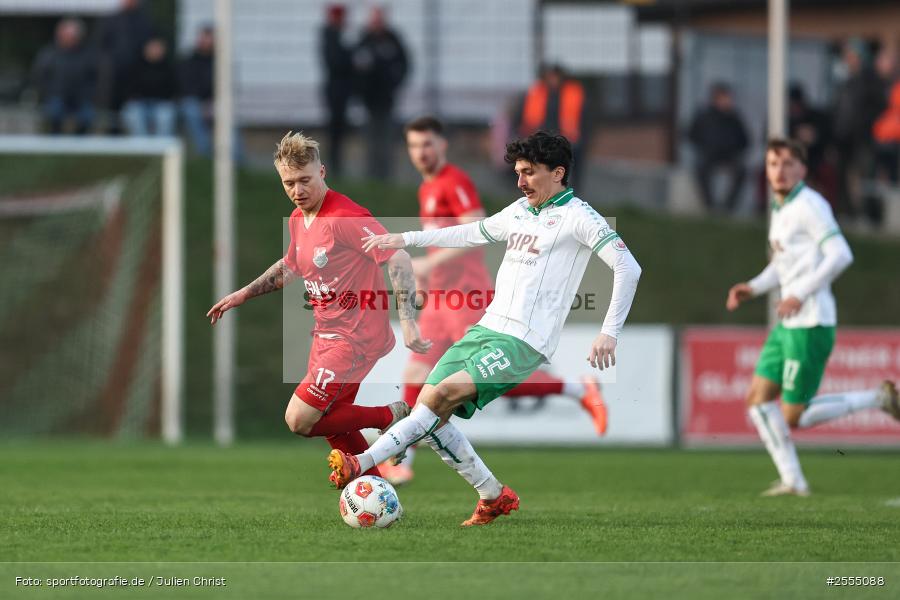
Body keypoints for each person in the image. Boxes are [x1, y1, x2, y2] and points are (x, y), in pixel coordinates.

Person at [329, 132, 642, 525]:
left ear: (558, 172)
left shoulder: (579, 216)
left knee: (439, 397)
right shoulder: (519, 211)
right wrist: (405, 238)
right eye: (517, 173)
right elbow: (471, 233)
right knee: (429, 411)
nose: (520, 181)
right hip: (486, 328)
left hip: (524, 341)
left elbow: (629, 268)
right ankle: (492, 495)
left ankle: (361, 462)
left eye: (528, 173)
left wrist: (609, 331)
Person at [378, 117, 609, 486]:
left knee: (487, 377)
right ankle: (401, 459)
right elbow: (444, 237)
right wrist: (427, 273)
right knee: (416, 376)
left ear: (442, 146)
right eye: (414, 146)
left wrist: (425, 260)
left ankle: (576, 388)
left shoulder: (454, 181)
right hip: (441, 297)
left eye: (428, 144)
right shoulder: (428, 189)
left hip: (467, 294)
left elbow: (475, 227)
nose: (421, 153)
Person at [207, 132, 430, 479]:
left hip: (355, 338)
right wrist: (242, 294)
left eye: (305, 180)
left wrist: (409, 320)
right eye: (289, 183)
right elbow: (290, 266)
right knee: (332, 419)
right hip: (327, 335)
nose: (298, 191)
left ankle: (393, 416)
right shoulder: (299, 219)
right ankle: (372, 487)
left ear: (322, 172)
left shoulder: (345, 217)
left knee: (299, 418)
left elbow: (398, 256)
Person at [726, 138, 900, 497]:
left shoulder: (810, 204)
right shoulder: (782, 208)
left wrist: (799, 293)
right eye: (774, 164)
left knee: (794, 415)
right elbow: (783, 264)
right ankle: (793, 481)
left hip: (811, 322)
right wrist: (753, 287)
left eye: (789, 164)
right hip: (788, 323)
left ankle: (878, 399)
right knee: (758, 399)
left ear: (803, 170)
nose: (780, 170)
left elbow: (841, 254)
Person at [353, 6, 409, 181]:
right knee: (371, 139)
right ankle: (372, 175)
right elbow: (355, 68)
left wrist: (395, 83)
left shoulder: (392, 39)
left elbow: (405, 63)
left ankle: (386, 175)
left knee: (387, 139)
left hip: (387, 98)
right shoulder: (364, 40)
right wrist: (359, 90)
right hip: (369, 99)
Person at [516, 64, 587, 189]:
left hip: (568, 138)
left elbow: (584, 117)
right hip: (542, 138)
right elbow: (526, 116)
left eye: (555, 76)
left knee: (570, 167)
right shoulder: (537, 91)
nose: (553, 80)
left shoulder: (573, 91)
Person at [688, 82, 749, 213]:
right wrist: (704, 147)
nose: (728, 101)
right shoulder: (704, 116)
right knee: (701, 169)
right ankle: (709, 206)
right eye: (725, 97)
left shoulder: (734, 118)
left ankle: (727, 207)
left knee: (741, 171)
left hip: (730, 156)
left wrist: (736, 149)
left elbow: (745, 140)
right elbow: (691, 135)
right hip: (709, 155)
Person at [29, 18, 96, 134]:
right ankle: (55, 141)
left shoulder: (88, 54)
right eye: (67, 34)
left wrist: (88, 94)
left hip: (81, 98)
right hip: (56, 96)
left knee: (87, 114)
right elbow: (39, 77)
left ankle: (80, 144)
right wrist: (48, 94)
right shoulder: (49, 54)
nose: (70, 38)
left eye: (73, 35)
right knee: (55, 110)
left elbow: (95, 78)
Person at [320, 4, 354, 177]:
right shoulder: (330, 36)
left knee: (339, 130)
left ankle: (336, 164)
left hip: (340, 91)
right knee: (334, 130)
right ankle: (334, 165)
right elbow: (336, 62)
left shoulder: (336, 36)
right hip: (335, 91)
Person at [121, 37, 178, 136]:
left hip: (161, 103)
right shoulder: (135, 66)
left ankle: (161, 147)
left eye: (158, 48)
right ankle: (141, 146)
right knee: (133, 113)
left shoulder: (169, 68)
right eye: (153, 47)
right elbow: (127, 90)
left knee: (165, 114)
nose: (155, 51)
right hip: (139, 104)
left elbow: (174, 90)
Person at [178, 26, 214, 157]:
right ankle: (205, 154)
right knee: (192, 110)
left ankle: (237, 161)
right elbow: (186, 86)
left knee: (226, 114)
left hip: (212, 102)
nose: (206, 41)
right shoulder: (189, 61)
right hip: (194, 101)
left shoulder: (220, 62)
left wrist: (209, 102)